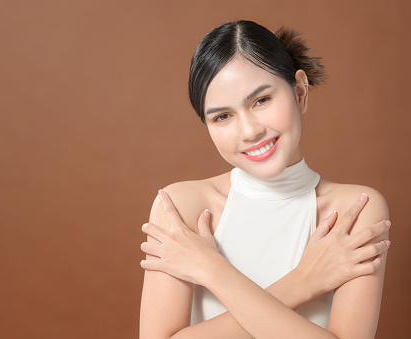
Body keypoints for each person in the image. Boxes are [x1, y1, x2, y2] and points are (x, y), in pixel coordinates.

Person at [139, 20, 390, 338]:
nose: (250, 131)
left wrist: (211, 269)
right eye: (223, 116)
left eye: (261, 100)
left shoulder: (356, 210)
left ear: (299, 91)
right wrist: (303, 283)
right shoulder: (181, 206)